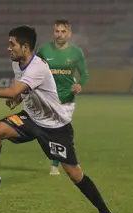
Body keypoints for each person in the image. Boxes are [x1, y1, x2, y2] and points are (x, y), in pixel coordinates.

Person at [0, 25, 115, 213]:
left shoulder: (37, 66)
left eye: (12, 44)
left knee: (74, 173)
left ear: (25, 47)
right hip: (30, 119)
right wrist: (18, 99)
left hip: (55, 127)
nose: (8, 48)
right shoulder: (17, 63)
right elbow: (22, 90)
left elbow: (14, 90)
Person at [36, 19, 89, 176]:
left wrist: (80, 85)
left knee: (60, 131)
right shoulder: (44, 50)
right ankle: (56, 159)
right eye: (57, 31)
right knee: (44, 131)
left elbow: (84, 74)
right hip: (46, 98)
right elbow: (35, 69)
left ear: (69, 33)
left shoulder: (76, 52)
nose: (59, 34)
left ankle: (55, 164)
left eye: (63, 31)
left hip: (67, 99)